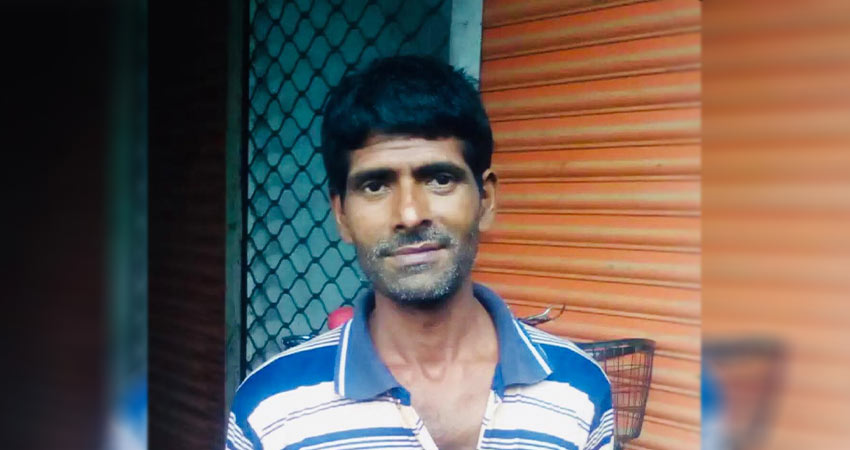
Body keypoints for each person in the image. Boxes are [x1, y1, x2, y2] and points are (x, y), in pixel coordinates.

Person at [226, 56, 613, 450]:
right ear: (341, 215)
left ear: (486, 200)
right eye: (375, 186)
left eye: (439, 179)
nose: (410, 215)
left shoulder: (578, 391)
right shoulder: (271, 411)